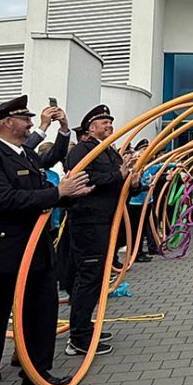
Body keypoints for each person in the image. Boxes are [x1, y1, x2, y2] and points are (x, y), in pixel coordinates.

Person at [0, 96, 92, 385]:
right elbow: (4, 199)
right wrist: (57, 192)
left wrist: (69, 195)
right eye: (25, 118)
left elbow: (40, 195)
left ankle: (36, 376)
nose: (31, 123)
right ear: (7, 123)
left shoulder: (27, 156)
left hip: (36, 252)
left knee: (42, 313)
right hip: (3, 254)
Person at [65, 105, 128, 359]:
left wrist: (131, 180)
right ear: (90, 128)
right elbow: (85, 178)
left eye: (110, 122)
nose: (109, 125)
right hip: (89, 223)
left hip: (105, 221)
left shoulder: (108, 151)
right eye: (104, 122)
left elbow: (119, 181)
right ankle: (78, 338)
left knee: (97, 278)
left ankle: (86, 327)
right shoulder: (82, 151)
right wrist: (117, 174)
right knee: (89, 277)